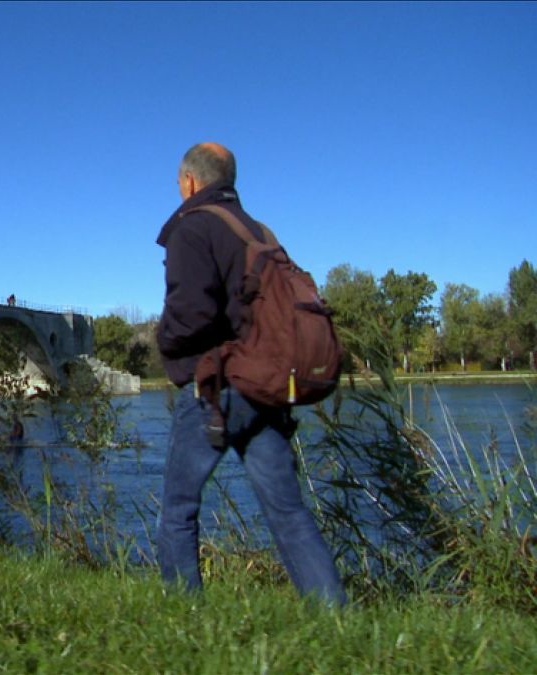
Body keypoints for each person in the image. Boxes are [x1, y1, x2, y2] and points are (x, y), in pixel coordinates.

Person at [154, 142, 345, 605]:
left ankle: (183, 621)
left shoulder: (194, 226)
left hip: (222, 386)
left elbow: (190, 314)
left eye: (179, 181)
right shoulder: (258, 232)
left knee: (178, 509)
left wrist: (166, 348)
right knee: (288, 511)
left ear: (190, 181)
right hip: (270, 385)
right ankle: (336, 618)